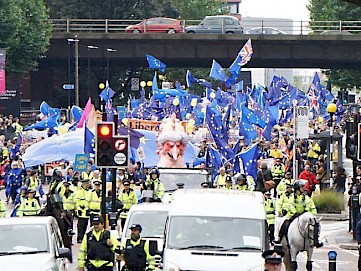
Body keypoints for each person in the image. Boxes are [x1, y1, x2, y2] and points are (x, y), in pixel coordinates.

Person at [276, 180, 322, 248]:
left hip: (304, 216)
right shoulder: (291, 197)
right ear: (298, 188)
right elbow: (290, 205)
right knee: (285, 224)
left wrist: (308, 212)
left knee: (316, 225)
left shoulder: (306, 197)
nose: (304, 188)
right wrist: (295, 212)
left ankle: (316, 241)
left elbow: (310, 204)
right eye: (302, 187)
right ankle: (280, 239)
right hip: (293, 215)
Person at [75, 179, 91, 243]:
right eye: (86, 184)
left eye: (88, 184)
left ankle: (83, 237)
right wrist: (78, 209)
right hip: (81, 211)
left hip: (86, 212)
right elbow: (77, 201)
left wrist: (89, 209)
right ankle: (79, 238)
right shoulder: (80, 191)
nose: (87, 185)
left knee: (85, 225)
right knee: (80, 226)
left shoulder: (89, 192)